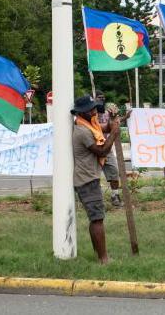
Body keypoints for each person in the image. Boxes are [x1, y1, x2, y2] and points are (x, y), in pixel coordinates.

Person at [71, 95, 121, 264]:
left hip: (89, 177)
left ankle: (99, 254)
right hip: (86, 180)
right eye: (91, 109)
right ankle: (103, 258)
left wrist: (113, 121)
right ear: (83, 112)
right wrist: (113, 134)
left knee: (96, 218)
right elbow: (102, 151)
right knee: (97, 218)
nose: (95, 111)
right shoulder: (82, 130)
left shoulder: (89, 124)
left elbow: (104, 128)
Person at [94, 90, 123, 207]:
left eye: (103, 98)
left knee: (114, 171)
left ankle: (115, 195)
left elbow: (114, 123)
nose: (101, 100)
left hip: (108, 147)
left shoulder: (107, 113)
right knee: (94, 175)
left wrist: (116, 116)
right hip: (94, 148)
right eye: (99, 98)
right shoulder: (90, 114)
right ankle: (96, 199)